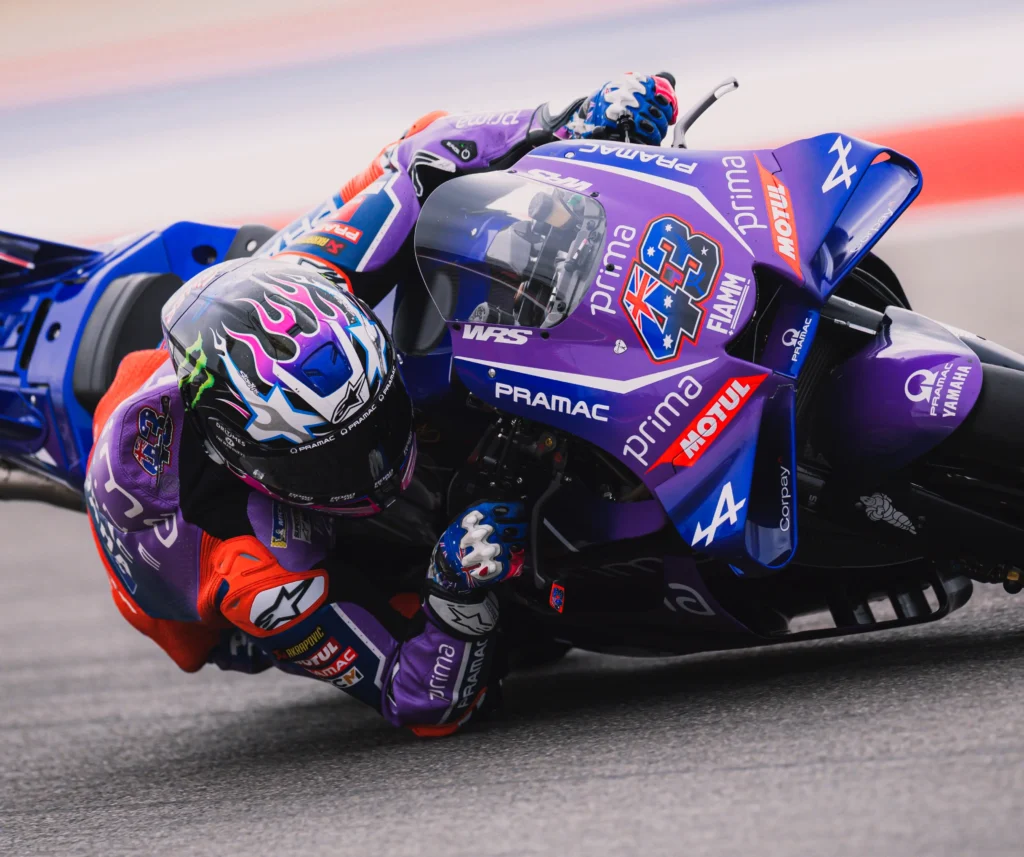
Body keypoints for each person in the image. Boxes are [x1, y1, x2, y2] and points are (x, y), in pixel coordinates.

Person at [84, 73, 678, 737]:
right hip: (195, 571)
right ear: (249, 461)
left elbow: (426, 152)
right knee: (515, 636)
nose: (378, 461)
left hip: (233, 333)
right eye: (333, 460)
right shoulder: (258, 573)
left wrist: (568, 118)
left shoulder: (318, 275)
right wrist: (455, 593)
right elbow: (417, 697)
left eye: (377, 421)